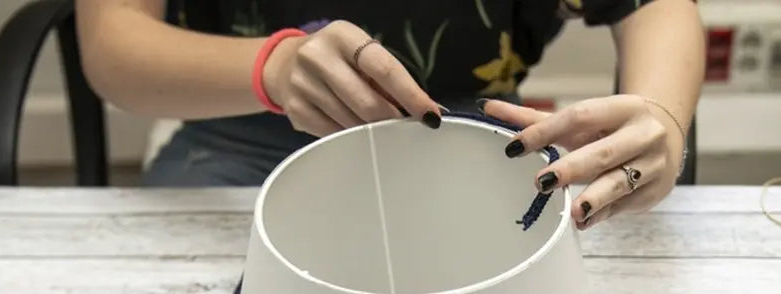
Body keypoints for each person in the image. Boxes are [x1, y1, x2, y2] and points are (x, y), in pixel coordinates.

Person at [75, 0, 704, 229]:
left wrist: (662, 116)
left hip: (475, 143)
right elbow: (112, 41)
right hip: (243, 140)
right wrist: (275, 68)